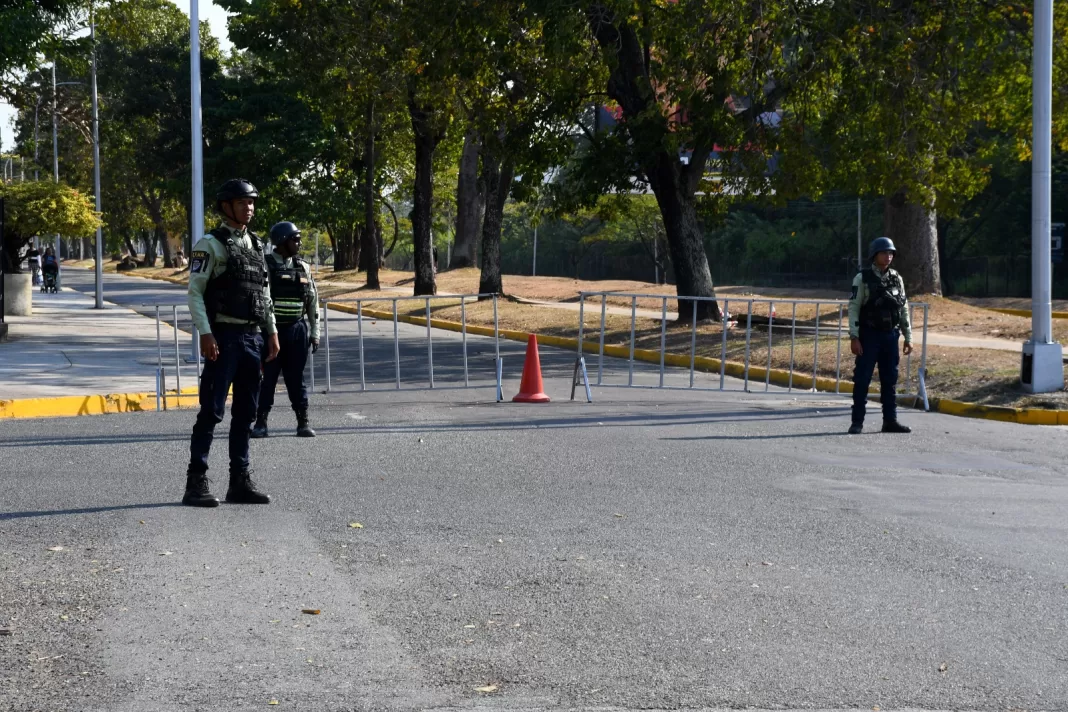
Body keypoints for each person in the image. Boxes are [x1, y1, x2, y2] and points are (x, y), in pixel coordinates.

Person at [183, 178, 281, 508]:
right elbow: (195, 291)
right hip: (223, 338)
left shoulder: (256, 244)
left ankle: (239, 481)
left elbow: (263, 293)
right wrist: (206, 333)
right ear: (226, 206)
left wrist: (272, 331)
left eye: (251, 202)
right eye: (242, 203)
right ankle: (196, 482)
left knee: (246, 414)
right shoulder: (209, 244)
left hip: (252, 338)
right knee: (211, 412)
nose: (249, 208)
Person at [251, 222, 320, 439]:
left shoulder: (303, 267)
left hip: (296, 331)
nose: (299, 243)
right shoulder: (266, 265)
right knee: (267, 379)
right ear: (282, 241)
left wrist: (315, 332)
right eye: (295, 239)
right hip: (271, 333)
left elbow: (312, 301)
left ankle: (303, 421)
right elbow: (264, 298)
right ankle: (261, 422)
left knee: (295, 379)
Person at [847, 236, 914, 435]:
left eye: (891, 253)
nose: (888, 256)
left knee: (890, 378)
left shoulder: (896, 278)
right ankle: (857, 421)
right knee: (862, 379)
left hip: (890, 336)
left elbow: (903, 308)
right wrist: (854, 336)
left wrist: (908, 336)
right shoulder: (862, 278)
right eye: (884, 252)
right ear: (874, 255)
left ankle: (890, 421)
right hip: (869, 335)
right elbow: (853, 307)